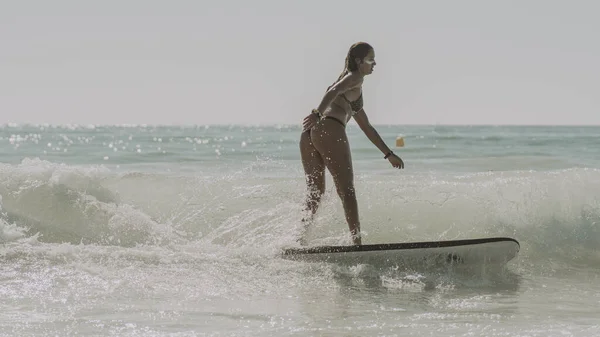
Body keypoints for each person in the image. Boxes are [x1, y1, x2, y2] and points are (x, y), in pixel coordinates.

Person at [299, 42, 404, 246]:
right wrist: (317, 113)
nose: (375, 64)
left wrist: (388, 153)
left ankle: (299, 239)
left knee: (315, 193)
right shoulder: (354, 78)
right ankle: (357, 244)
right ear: (359, 61)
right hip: (328, 128)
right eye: (371, 59)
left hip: (309, 134)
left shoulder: (352, 90)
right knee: (347, 190)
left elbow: (366, 127)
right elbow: (333, 91)